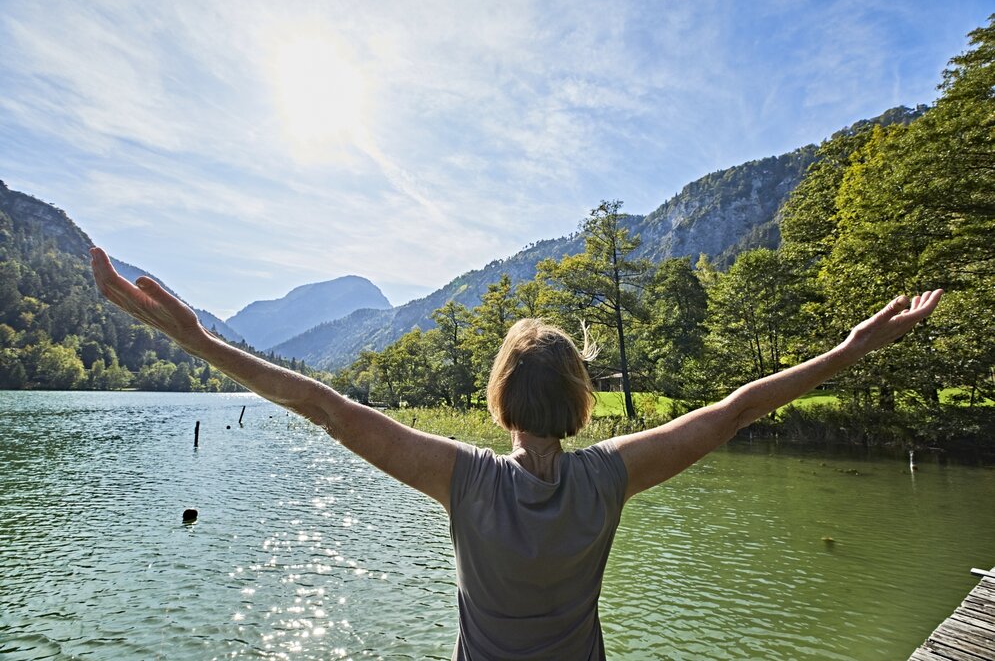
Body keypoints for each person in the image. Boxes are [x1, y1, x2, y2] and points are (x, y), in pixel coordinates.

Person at [89, 247, 942, 659]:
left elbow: (327, 408)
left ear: (496, 401)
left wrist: (203, 343)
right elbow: (733, 410)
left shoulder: (463, 481)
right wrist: (851, 348)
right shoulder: (609, 477)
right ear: (580, 403)